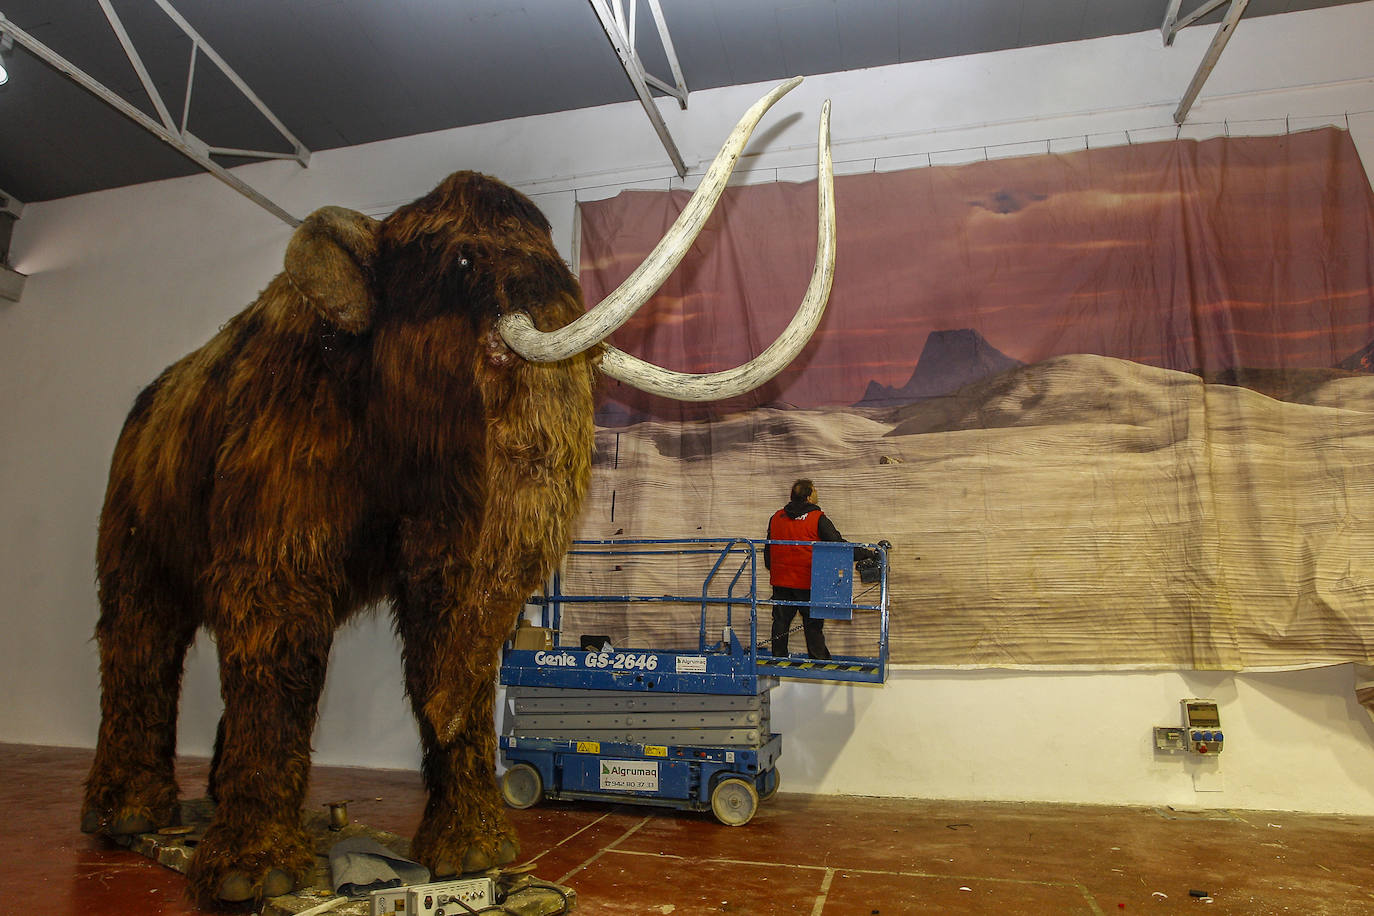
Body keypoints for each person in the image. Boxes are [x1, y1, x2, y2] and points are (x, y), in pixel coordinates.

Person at [763, 478, 863, 660]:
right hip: (808, 581)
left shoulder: (776, 518)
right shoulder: (817, 519)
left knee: (780, 621)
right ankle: (818, 658)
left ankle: (778, 657)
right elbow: (838, 544)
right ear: (809, 497)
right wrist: (867, 553)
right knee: (813, 623)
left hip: (781, 581)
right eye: (815, 491)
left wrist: (774, 570)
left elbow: (768, 550)